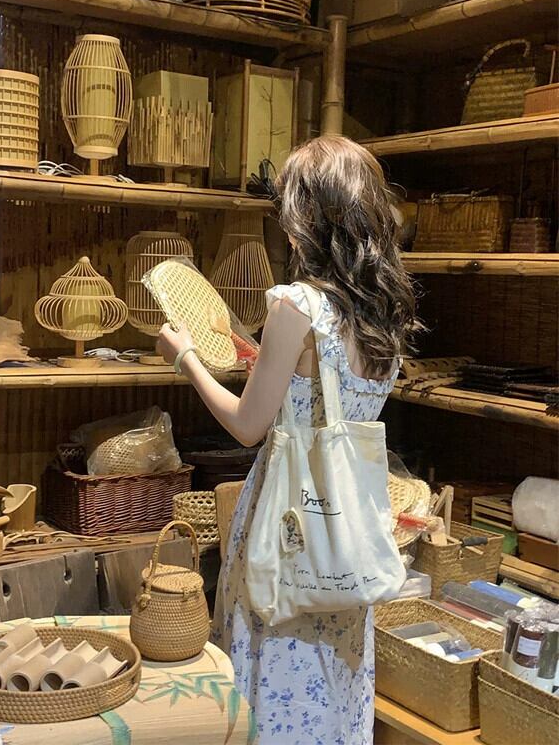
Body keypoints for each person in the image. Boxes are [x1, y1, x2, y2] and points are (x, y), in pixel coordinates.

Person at [156, 135, 417, 745]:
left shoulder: (297, 306)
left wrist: (185, 357)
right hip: (346, 527)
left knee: (274, 676)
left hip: (289, 519)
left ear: (307, 216)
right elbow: (330, 393)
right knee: (333, 688)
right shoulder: (383, 311)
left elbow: (249, 426)